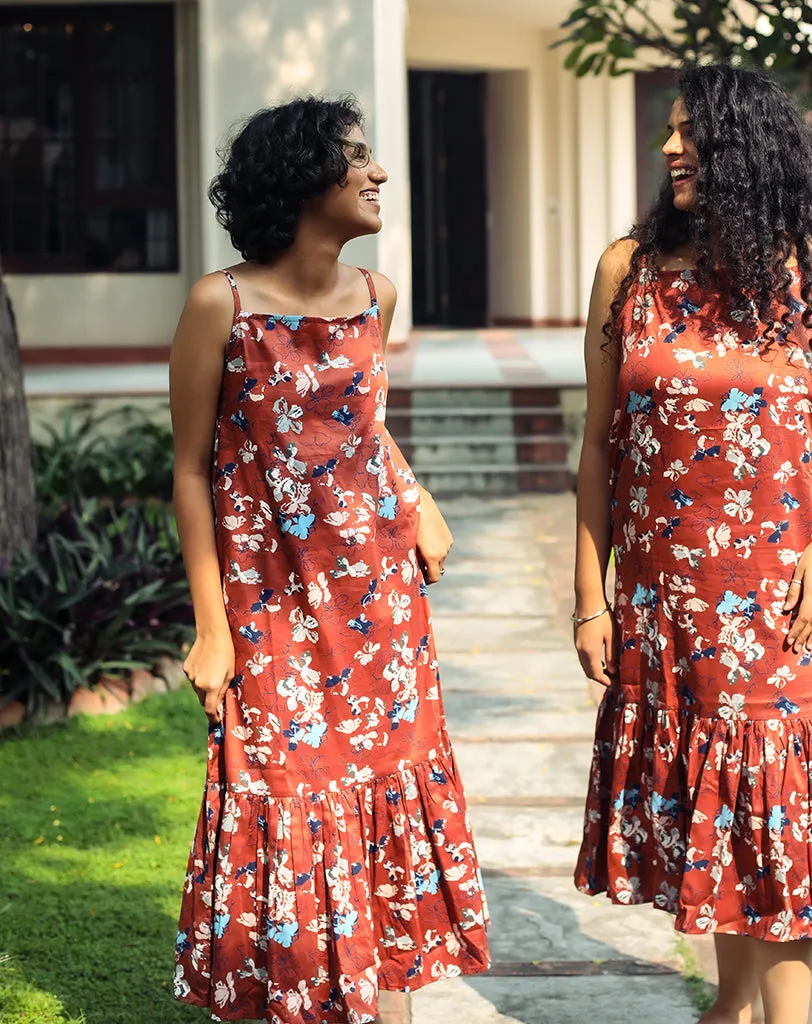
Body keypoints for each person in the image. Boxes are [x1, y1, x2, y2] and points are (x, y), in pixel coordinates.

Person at [572, 64, 812, 1024]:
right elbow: (599, 442)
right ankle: (731, 1000)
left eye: (691, 134)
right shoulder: (628, 271)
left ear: (749, 151)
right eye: (668, 133)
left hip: (783, 591)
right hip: (669, 594)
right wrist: (592, 595)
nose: (670, 149)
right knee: (716, 795)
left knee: (775, 805)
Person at [168, 96, 489, 1024]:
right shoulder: (217, 304)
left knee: (384, 791)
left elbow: (363, 429)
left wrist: (417, 495)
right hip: (270, 605)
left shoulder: (377, 295)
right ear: (306, 178)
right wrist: (210, 628)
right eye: (357, 157)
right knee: (286, 794)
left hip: (380, 601)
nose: (380, 172)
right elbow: (190, 470)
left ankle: (385, 1004)